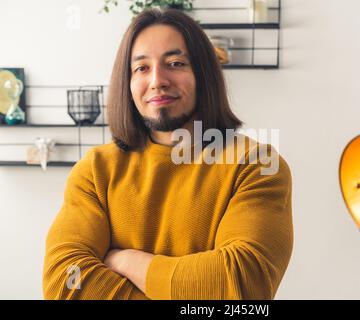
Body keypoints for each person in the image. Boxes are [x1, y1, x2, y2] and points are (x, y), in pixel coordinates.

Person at [43, 8, 293, 300]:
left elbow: (243, 284)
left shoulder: (256, 165)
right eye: (141, 68)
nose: (157, 80)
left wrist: (126, 260)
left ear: (203, 74)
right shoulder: (95, 171)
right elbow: (65, 281)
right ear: (127, 82)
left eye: (175, 63)